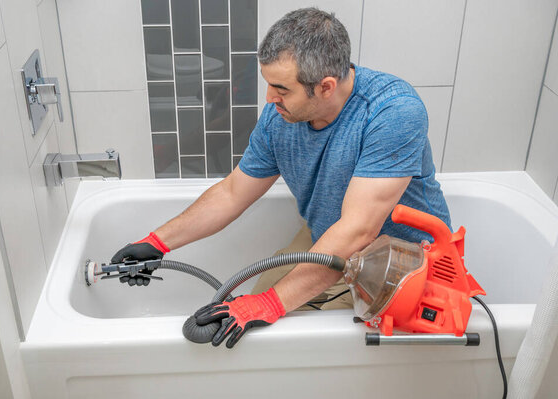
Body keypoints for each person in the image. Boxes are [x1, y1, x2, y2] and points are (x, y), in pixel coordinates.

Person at [111, 8, 451, 348]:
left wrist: (272, 304)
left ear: (325, 87)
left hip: (400, 267)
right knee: (249, 308)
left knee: (267, 329)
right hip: (328, 237)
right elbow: (232, 193)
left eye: (281, 89)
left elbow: (358, 230)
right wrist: (157, 243)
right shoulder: (281, 117)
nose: (269, 98)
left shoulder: (392, 111)